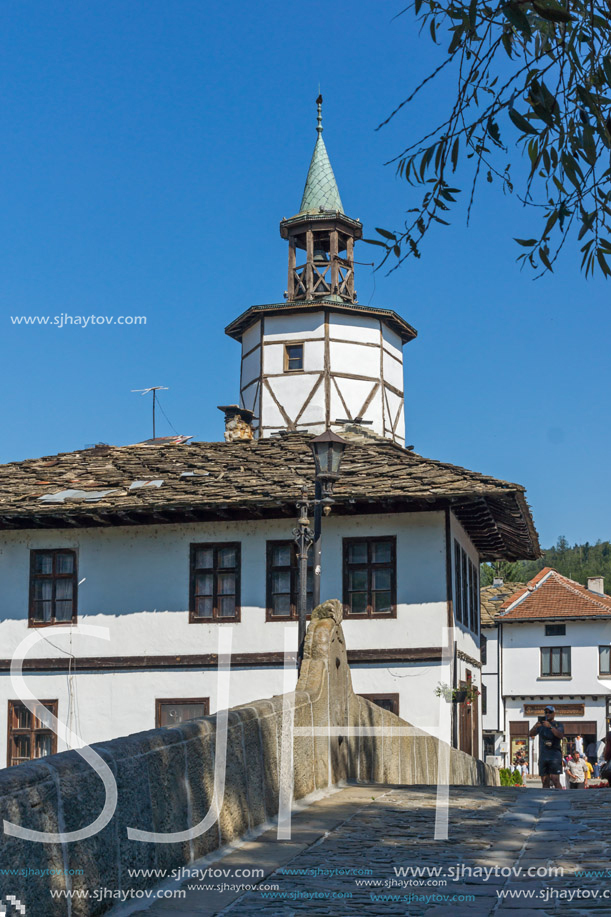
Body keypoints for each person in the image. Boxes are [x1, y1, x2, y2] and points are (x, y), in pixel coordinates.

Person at [529, 706, 565, 789]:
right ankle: (545, 799)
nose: (548, 714)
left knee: (555, 779)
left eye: (550, 712)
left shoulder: (558, 724)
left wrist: (550, 727)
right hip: (543, 756)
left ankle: (560, 798)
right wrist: (535, 727)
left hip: (555, 756)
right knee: (545, 781)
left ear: (554, 714)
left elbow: (560, 735)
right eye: (546, 712)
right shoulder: (541, 725)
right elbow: (531, 734)